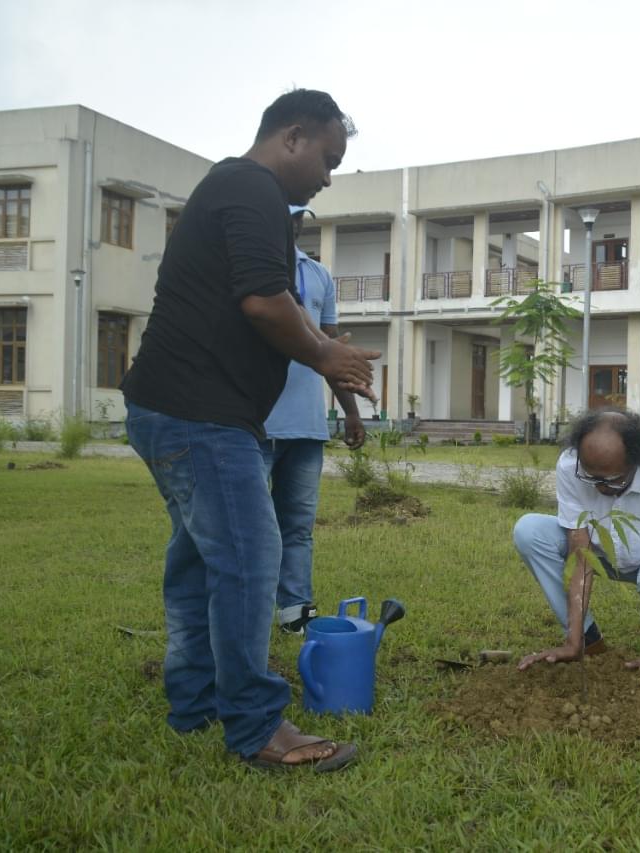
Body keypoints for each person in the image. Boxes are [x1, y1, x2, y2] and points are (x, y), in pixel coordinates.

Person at [120, 89, 380, 770]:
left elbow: (275, 300)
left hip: (172, 407)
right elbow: (264, 302)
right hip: (199, 414)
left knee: (198, 559)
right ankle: (257, 725)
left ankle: (195, 701)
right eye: (328, 159)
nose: (328, 177)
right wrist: (325, 355)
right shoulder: (252, 187)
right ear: (292, 136)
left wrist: (323, 350)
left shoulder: (234, 187)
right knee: (248, 558)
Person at [513, 408, 640, 693]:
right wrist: (574, 641)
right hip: (601, 552)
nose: (600, 488)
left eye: (612, 480)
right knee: (529, 531)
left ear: (636, 462)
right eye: (591, 478)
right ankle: (588, 639)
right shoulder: (570, 465)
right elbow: (581, 556)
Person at [262, 205, 371, 635]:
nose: (293, 225)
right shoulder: (251, 266)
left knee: (298, 526)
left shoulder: (318, 274)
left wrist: (351, 411)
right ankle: (247, 611)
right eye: (285, 216)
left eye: (298, 219)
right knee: (252, 526)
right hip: (254, 423)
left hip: (306, 426)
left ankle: (294, 612)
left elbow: (331, 349)